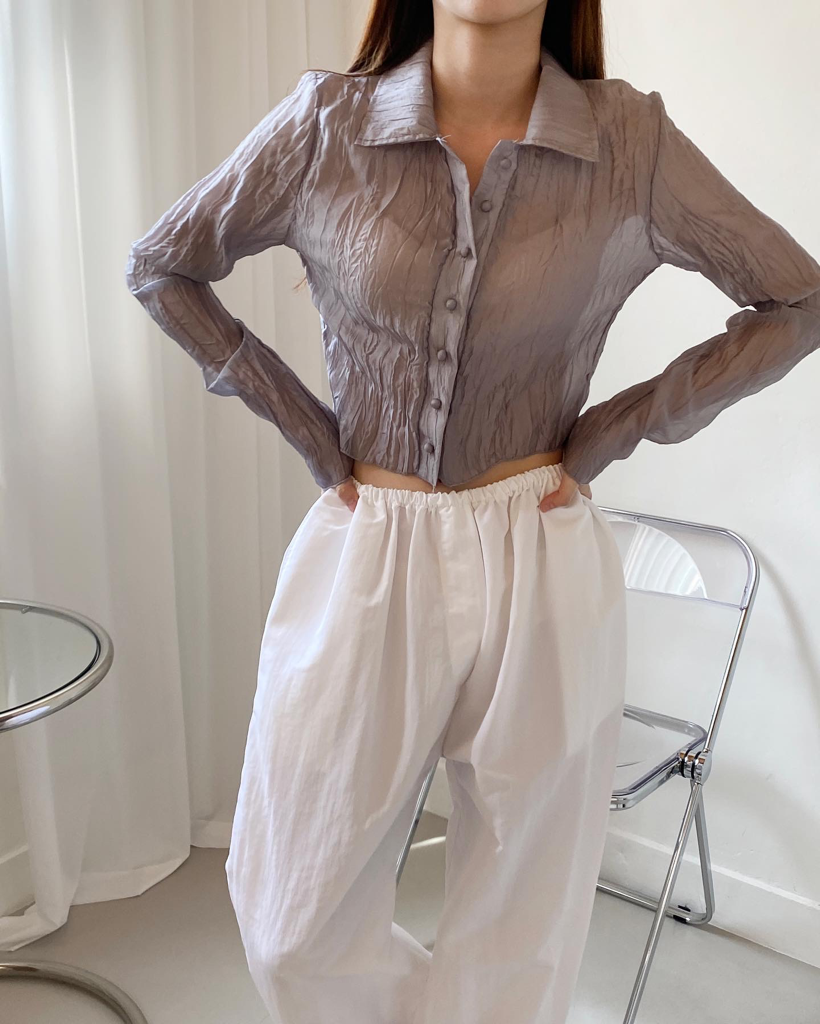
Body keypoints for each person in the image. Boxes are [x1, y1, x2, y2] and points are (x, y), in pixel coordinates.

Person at [125, 2, 820, 1022]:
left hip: (541, 546)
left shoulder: (629, 142)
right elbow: (162, 265)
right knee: (289, 912)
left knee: (521, 922)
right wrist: (305, 424)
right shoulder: (326, 124)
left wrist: (617, 426)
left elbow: (796, 300)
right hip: (368, 542)